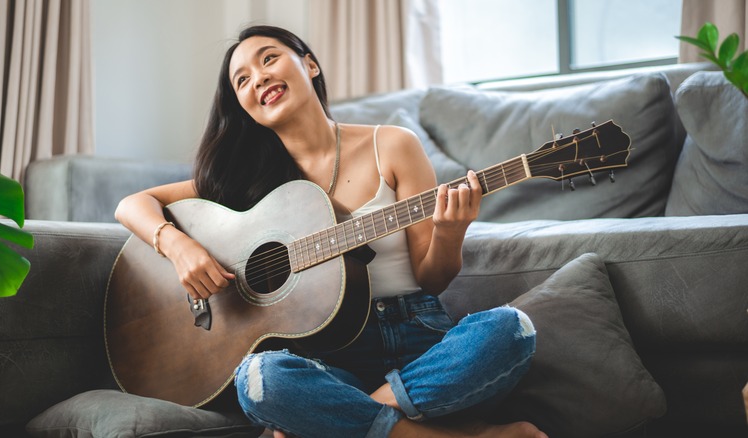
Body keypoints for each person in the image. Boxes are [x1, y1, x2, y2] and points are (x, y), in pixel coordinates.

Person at [115, 25, 546, 438]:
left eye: (269, 59)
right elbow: (132, 205)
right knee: (261, 378)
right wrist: (177, 245)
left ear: (310, 65)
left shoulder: (392, 145)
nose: (259, 77)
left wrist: (450, 233)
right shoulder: (244, 181)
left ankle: (343, 418)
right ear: (242, 105)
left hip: (421, 339)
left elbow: (432, 279)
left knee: (511, 329)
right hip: (327, 354)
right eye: (242, 80)